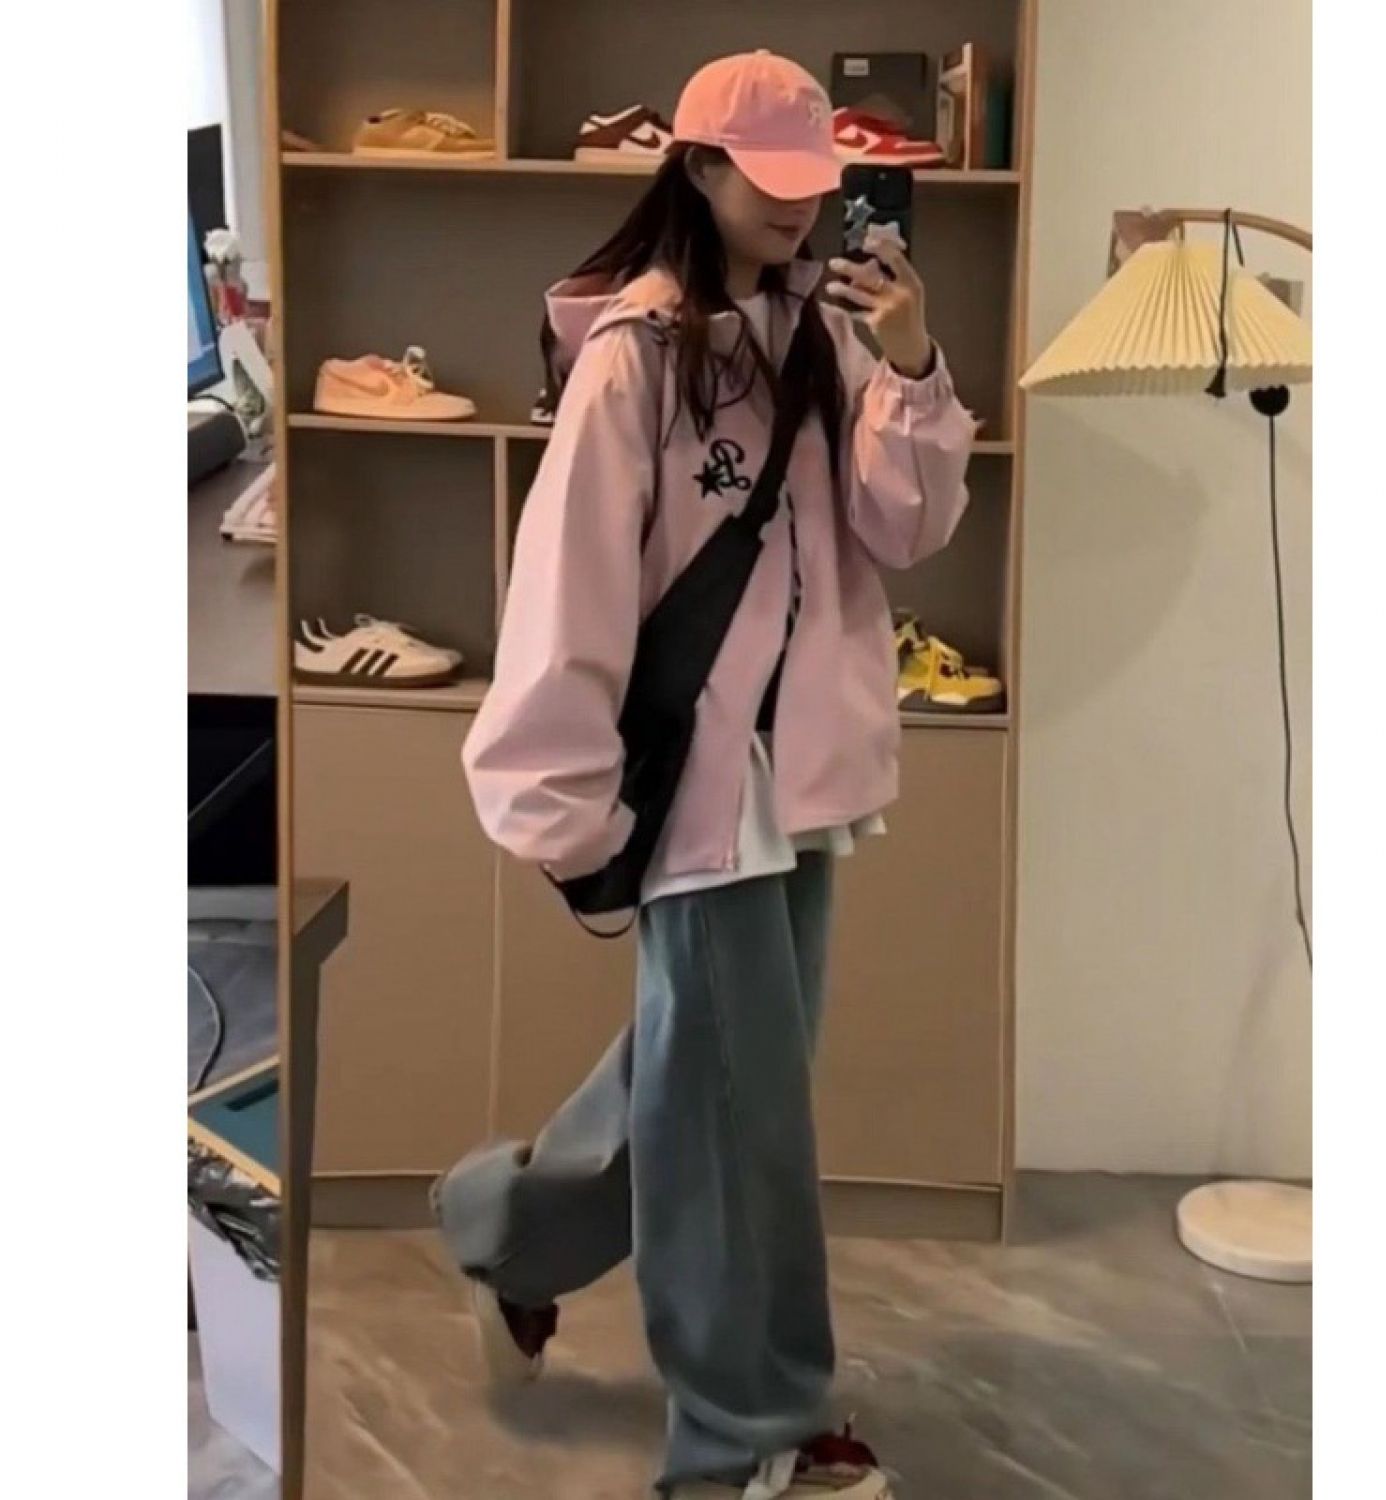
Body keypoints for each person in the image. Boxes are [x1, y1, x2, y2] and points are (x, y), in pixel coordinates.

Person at [432, 50, 975, 1500]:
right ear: (700, 168)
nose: (799, 210)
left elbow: (906, 529)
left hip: (808, 773)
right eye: (769, 181)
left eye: (816, 185)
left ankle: (508, 1237)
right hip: (699, 782)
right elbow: (571, 584)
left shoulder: (829, 331)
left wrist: (913, 362)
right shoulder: (638, 357)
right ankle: (741, 1435)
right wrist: (559, 796)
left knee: (716, 1079)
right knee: (740, 1119)